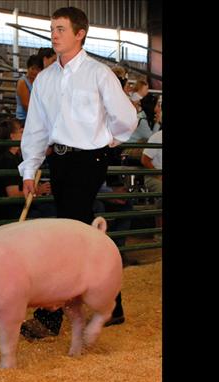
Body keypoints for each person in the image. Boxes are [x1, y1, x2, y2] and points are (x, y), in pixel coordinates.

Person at [17, 7, 137, 339]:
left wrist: (108, 142)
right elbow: (36, 129)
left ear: (80, 33)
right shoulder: (45, 79)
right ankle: (111, 304)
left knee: (68, 230)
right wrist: (30, 169)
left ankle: (49, 316)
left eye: (60, 28)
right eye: (52, 28)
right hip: (61, 161)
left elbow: (126, 117)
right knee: (81, 229)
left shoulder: (99, 74)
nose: (54, 34)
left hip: (90, 160)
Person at [0, 119, 55, 220]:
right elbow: (13, 195)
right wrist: (38, 191)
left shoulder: (11, 157)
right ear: (12, 136)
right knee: (48, 211)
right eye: (21, 132)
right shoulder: (8, 160)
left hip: (3, 207)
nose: (25, 135)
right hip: (4, 210)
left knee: (47, 207)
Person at [141, 129, 162, 241]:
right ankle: (159, 232)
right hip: (153, 175)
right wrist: (159, 175)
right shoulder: (157, 137)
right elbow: (145, 160)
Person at [15, 55, 43, 126]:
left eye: (38, 69)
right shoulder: (22, 82)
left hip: (34, 117)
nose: (35, 72)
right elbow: (26, 105)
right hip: (23, 119)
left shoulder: (39, 81)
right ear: (28, 68)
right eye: (33, 68)